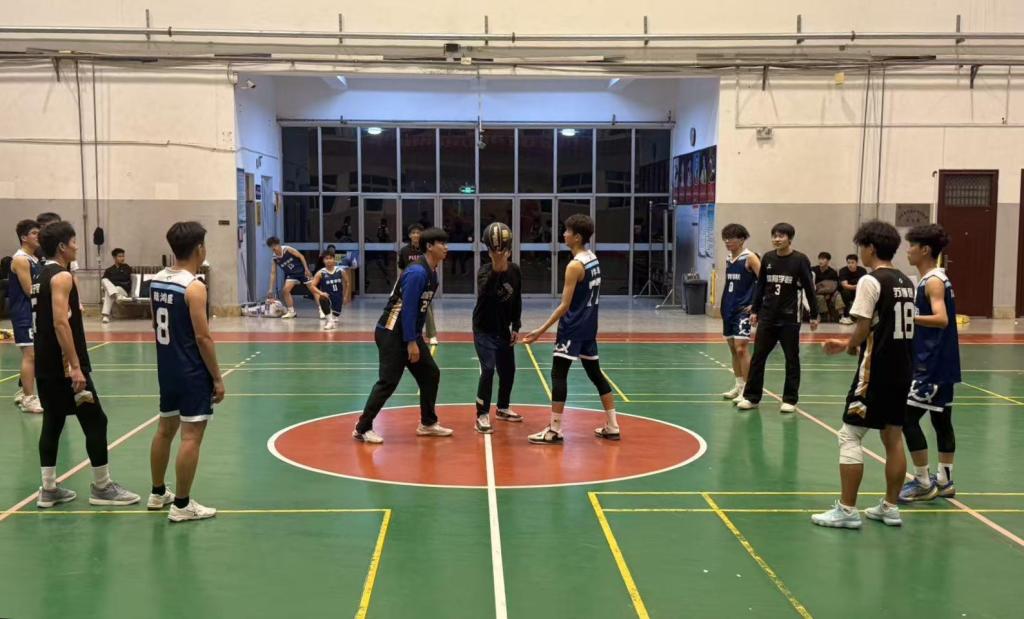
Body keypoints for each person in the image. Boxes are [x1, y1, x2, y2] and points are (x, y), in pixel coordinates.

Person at [813, 220, 914, 529]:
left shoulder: (871, 281)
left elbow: (862, 326)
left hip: (875, 370)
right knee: (893, 436)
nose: (860, 252)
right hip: (903, 369)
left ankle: (847, 510)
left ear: (871, 247)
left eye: (861, 247)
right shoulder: (906, 280)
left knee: (850, 435)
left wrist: (847, 345)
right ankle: (890, 507)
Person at [33, 221, 139, 508]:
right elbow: (60, 323)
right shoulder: (62, 277)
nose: (77, 247)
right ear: (62, 247)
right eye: (74, 242)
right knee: (96, 421)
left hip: (44, 362)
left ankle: (48, 489)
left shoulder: (40, 275)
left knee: (53, 421)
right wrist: (75, 366)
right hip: (64, 366)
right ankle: (102, 487)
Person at [148, 222, 224, 522]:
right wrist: (217, 377)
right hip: (191, 370)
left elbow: (155, 324)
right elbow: (203, 337)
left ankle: (157, 492)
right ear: (199, 248)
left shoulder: (156, 280)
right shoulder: (194, 286)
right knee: (191, 436)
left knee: (164, 429)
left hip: (166, 367)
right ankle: (181, 505)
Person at [522, 214, 619, 445]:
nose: (563, 234)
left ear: (577, 237)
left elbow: (564, 305)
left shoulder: (574, 266)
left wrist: (540, 331)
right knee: (596, 374)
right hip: (589, 327)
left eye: (567, 231)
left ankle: (554, 430)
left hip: (572, 328)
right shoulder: (593, 259)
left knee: (558, 375)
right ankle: (613, 425)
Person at [353, 228, 453, 444]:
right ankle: (362, 428)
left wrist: (416, 337)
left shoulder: (432, 273)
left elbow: (420, 311)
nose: (446, 248)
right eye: (441, 243)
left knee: (430, 374)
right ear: (429, 247)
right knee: (388, 382)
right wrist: (411, 342)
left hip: (408, 333)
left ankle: (428, 423)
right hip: (391, 332)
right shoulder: (417, 273)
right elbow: (408, 309)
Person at [898, 224, 962, 503]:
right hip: (943, 363)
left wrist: (906, 316)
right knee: (941, 420)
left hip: (931, 364)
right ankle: (945, 481)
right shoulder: (937, 278)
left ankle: (923, 482)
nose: (907, 250)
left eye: (911, 245)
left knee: (907, 418)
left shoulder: (933, 281)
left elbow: (941, 318)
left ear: (925, 250)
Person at [736, 223, 819, 413]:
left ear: (790, 238)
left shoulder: (800, 260)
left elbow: (809, 287)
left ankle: (790, 399)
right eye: (774, 236)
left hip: (790, 318)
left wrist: (814, 314)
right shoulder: (767, 258)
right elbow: (761, 285)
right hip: (768, 316)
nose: (777, 239)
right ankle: (752, 397)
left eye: (781, 236)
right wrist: (755, 310)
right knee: (758, 357)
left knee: (792, 358)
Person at [473, 222, 523, 434]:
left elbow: (517, 298)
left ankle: (502, 407)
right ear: (489, 253)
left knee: (508, 370)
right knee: (488, 369)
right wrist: (496, 267)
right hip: (483, 329)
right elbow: (486, 293)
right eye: (495, 252)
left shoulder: (515, 270)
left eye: (504, 251)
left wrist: (516, 325)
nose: (501, 254)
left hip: (503, 329)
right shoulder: (484, 272)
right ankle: (482, 414)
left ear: (510, 251)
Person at [719, 223, 761, 402]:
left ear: (742, 239)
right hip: (728, 308)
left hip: (743, 310)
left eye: (731, 238)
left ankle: (749, 390)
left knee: (741, 349)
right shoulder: (729, 258)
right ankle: (739, 385)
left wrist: (756, 305)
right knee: (732, 349)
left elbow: (764, 282)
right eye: (725, 238)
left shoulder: (750, 258)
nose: (727, 241)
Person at [10, 219, 43, 414]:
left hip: (34, 313)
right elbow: (30, 290)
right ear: (24, 237)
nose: (38, 236)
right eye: (34, 233)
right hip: (24, 313)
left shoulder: (35, 258)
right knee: (30, 355)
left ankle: (24, 392)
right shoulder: (21, 259)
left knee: (35, 355)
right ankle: (29, 398)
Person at [398, 224, 438, 344]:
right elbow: (401, 268)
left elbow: (433, 266)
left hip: (424, 283)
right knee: (405, 309)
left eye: (418, 232)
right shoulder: (404, 251)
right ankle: (405, 334)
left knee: (427, 309)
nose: (416, 235)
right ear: (410, 235)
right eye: (413, 233)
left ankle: (431, 335)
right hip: (409, 284)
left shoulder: (426, 249)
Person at [266, 236, 313, 319]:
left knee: (313, 289)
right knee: (285, 291)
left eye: (275, 245)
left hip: (302, 271)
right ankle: (291, 311)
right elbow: (273, 273)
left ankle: (323, 310)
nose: (274, 248)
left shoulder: (287, 249)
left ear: (278, 244)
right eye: (271, 247)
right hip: (292, 274)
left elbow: (301, 256)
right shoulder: (274, 258)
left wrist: (306, 269)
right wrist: (270, 289)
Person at [308, 251, 345, 331]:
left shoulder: (340, 271)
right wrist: (321, 293)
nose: (328, 260)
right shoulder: (321, 273)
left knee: (336, 313)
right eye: (326, 259)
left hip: (338, 296)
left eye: (330, 258)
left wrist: (346, 296)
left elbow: (347, 283)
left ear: (334, 259)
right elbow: (312, 286)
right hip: (327, 296)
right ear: (323, 260)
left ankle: (332, 319)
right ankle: (330, 321)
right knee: (322, 299)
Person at [100, 248, 133, 324]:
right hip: (116, 293)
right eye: (120, 256)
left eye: (123, 256)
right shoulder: (109, 270)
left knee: (112, 290)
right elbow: (105, 281)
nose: (122, 258)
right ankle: (116, 295)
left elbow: (124, 279)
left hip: (123, 291)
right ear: (114, 257)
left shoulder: (127, 268)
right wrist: (115, 283)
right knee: (104, 280)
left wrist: (113, 282)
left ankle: (105, 315)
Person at [837, 254, 866, 325]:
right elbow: (845, 285)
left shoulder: (862, 271)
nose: (850, 265)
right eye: (848, 263)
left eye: (852, 262)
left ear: (856, 263)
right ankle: (845, 316)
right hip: (846, 291)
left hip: (858, 291)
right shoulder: (843, 270)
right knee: (845, 293)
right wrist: (857, 286)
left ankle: (861, 317)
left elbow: (864, 284)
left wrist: (857, 287)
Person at [812, 252, 841, 322]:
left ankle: (841, 316)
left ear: (828, 261)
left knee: (838, 295)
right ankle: (824, 316)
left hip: (829, 293)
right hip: (816, 292)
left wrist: (829, 294)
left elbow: (835, 286)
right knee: (820, 298)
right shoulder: (813, 270)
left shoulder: (832, 272)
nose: (820, 261)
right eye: (819, 259)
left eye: (823, 259)